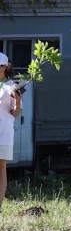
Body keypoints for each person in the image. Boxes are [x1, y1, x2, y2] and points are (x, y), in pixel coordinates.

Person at [0, 53, 22, 214]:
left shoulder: (11, 85)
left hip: (4, 131)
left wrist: (18, 101)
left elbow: (14, 113)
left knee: (2, 168)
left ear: (4, 67)